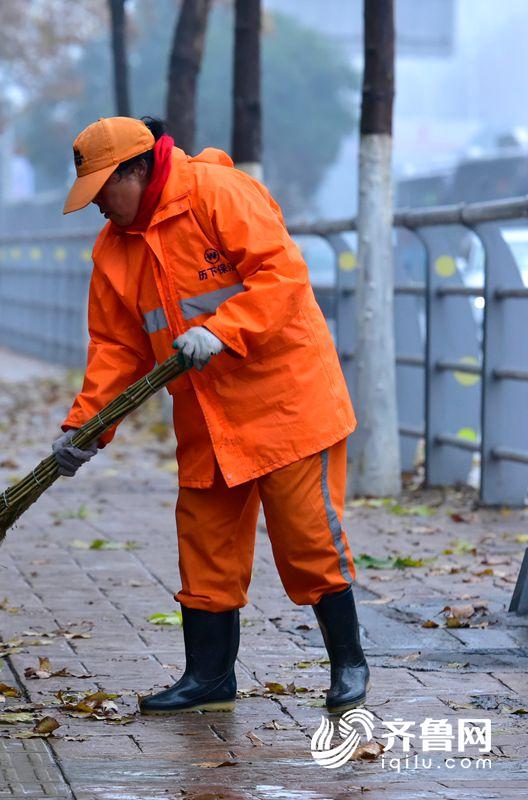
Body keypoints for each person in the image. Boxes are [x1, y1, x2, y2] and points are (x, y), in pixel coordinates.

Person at [52, 116, 366, 716]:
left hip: (287, 402)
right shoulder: (114, 248)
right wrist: (85, 427)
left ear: (138, 169)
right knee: (206, 546)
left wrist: (221, 332)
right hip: (206, 416)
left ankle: (349, 664)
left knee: (308, 542)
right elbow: (115, 348)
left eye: (102, 192)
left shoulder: (217, 193)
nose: (97, 208)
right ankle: (208, 677)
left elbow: (284, 275)